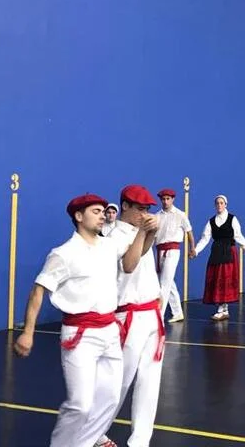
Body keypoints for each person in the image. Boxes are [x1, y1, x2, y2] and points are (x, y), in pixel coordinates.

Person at [14, 193, 157, 447]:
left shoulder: (108, 246)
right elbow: (38, 291)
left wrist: (147, 233)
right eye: (96, 212)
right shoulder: (63, 253)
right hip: (79, 336)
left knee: (110, 398)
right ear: (79, 216)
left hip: (110, 332)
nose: (102, 216)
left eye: (103, 211)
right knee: (80, 404)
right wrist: (28, 332)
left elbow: (133, 259)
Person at [96, 186, 164, 447]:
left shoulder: (140, 231)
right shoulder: (112, 236)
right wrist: (146, 232)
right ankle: (94, 432)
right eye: (139, 209)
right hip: (128, 317)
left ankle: (140, 441)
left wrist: (151, 231)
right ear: (125, 206)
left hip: (151, 313)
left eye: (147, 209)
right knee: (118, 382)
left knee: (150, 382)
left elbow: (144, 256)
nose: (144, 214)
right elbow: (129, 265)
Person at [191, 195, 245, 321]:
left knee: (225, 280)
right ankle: (223, 309)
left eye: (221, 203)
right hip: (216, 252)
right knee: (216, 279)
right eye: (217, 203)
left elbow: (238, 236)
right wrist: (195, 251)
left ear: (225, 204)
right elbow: (205, 239)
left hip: (229, 252)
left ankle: (222, 310)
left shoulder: (232, 219)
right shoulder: (211, 221)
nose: (219, 205)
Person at [152, 187, 195, 324]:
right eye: (163, 199)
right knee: (169, 282)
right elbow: (153, 237)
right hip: (159, 251)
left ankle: (159, 317)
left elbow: (189, 232)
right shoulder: (156, 216)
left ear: (173, 199)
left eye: (168, 199)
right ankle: (178, 312)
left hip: (173, 251)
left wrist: (192, 248)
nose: (165, 201)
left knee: (164, 284)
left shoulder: (180, 214)